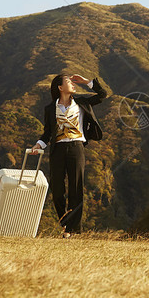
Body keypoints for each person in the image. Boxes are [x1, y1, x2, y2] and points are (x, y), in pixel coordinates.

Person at [31, 74, 108, 238]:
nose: (73, 84)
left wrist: (87, 82)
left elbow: (103, 95)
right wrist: (39, 144)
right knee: (57, 189)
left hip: (76, 147)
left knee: (76, 187)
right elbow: (47, 133)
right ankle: (65, 221)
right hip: (57, 149)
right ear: (60, 88)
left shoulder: (82, 102)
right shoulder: (50, 109)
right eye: (69, 82)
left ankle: (70, 230)